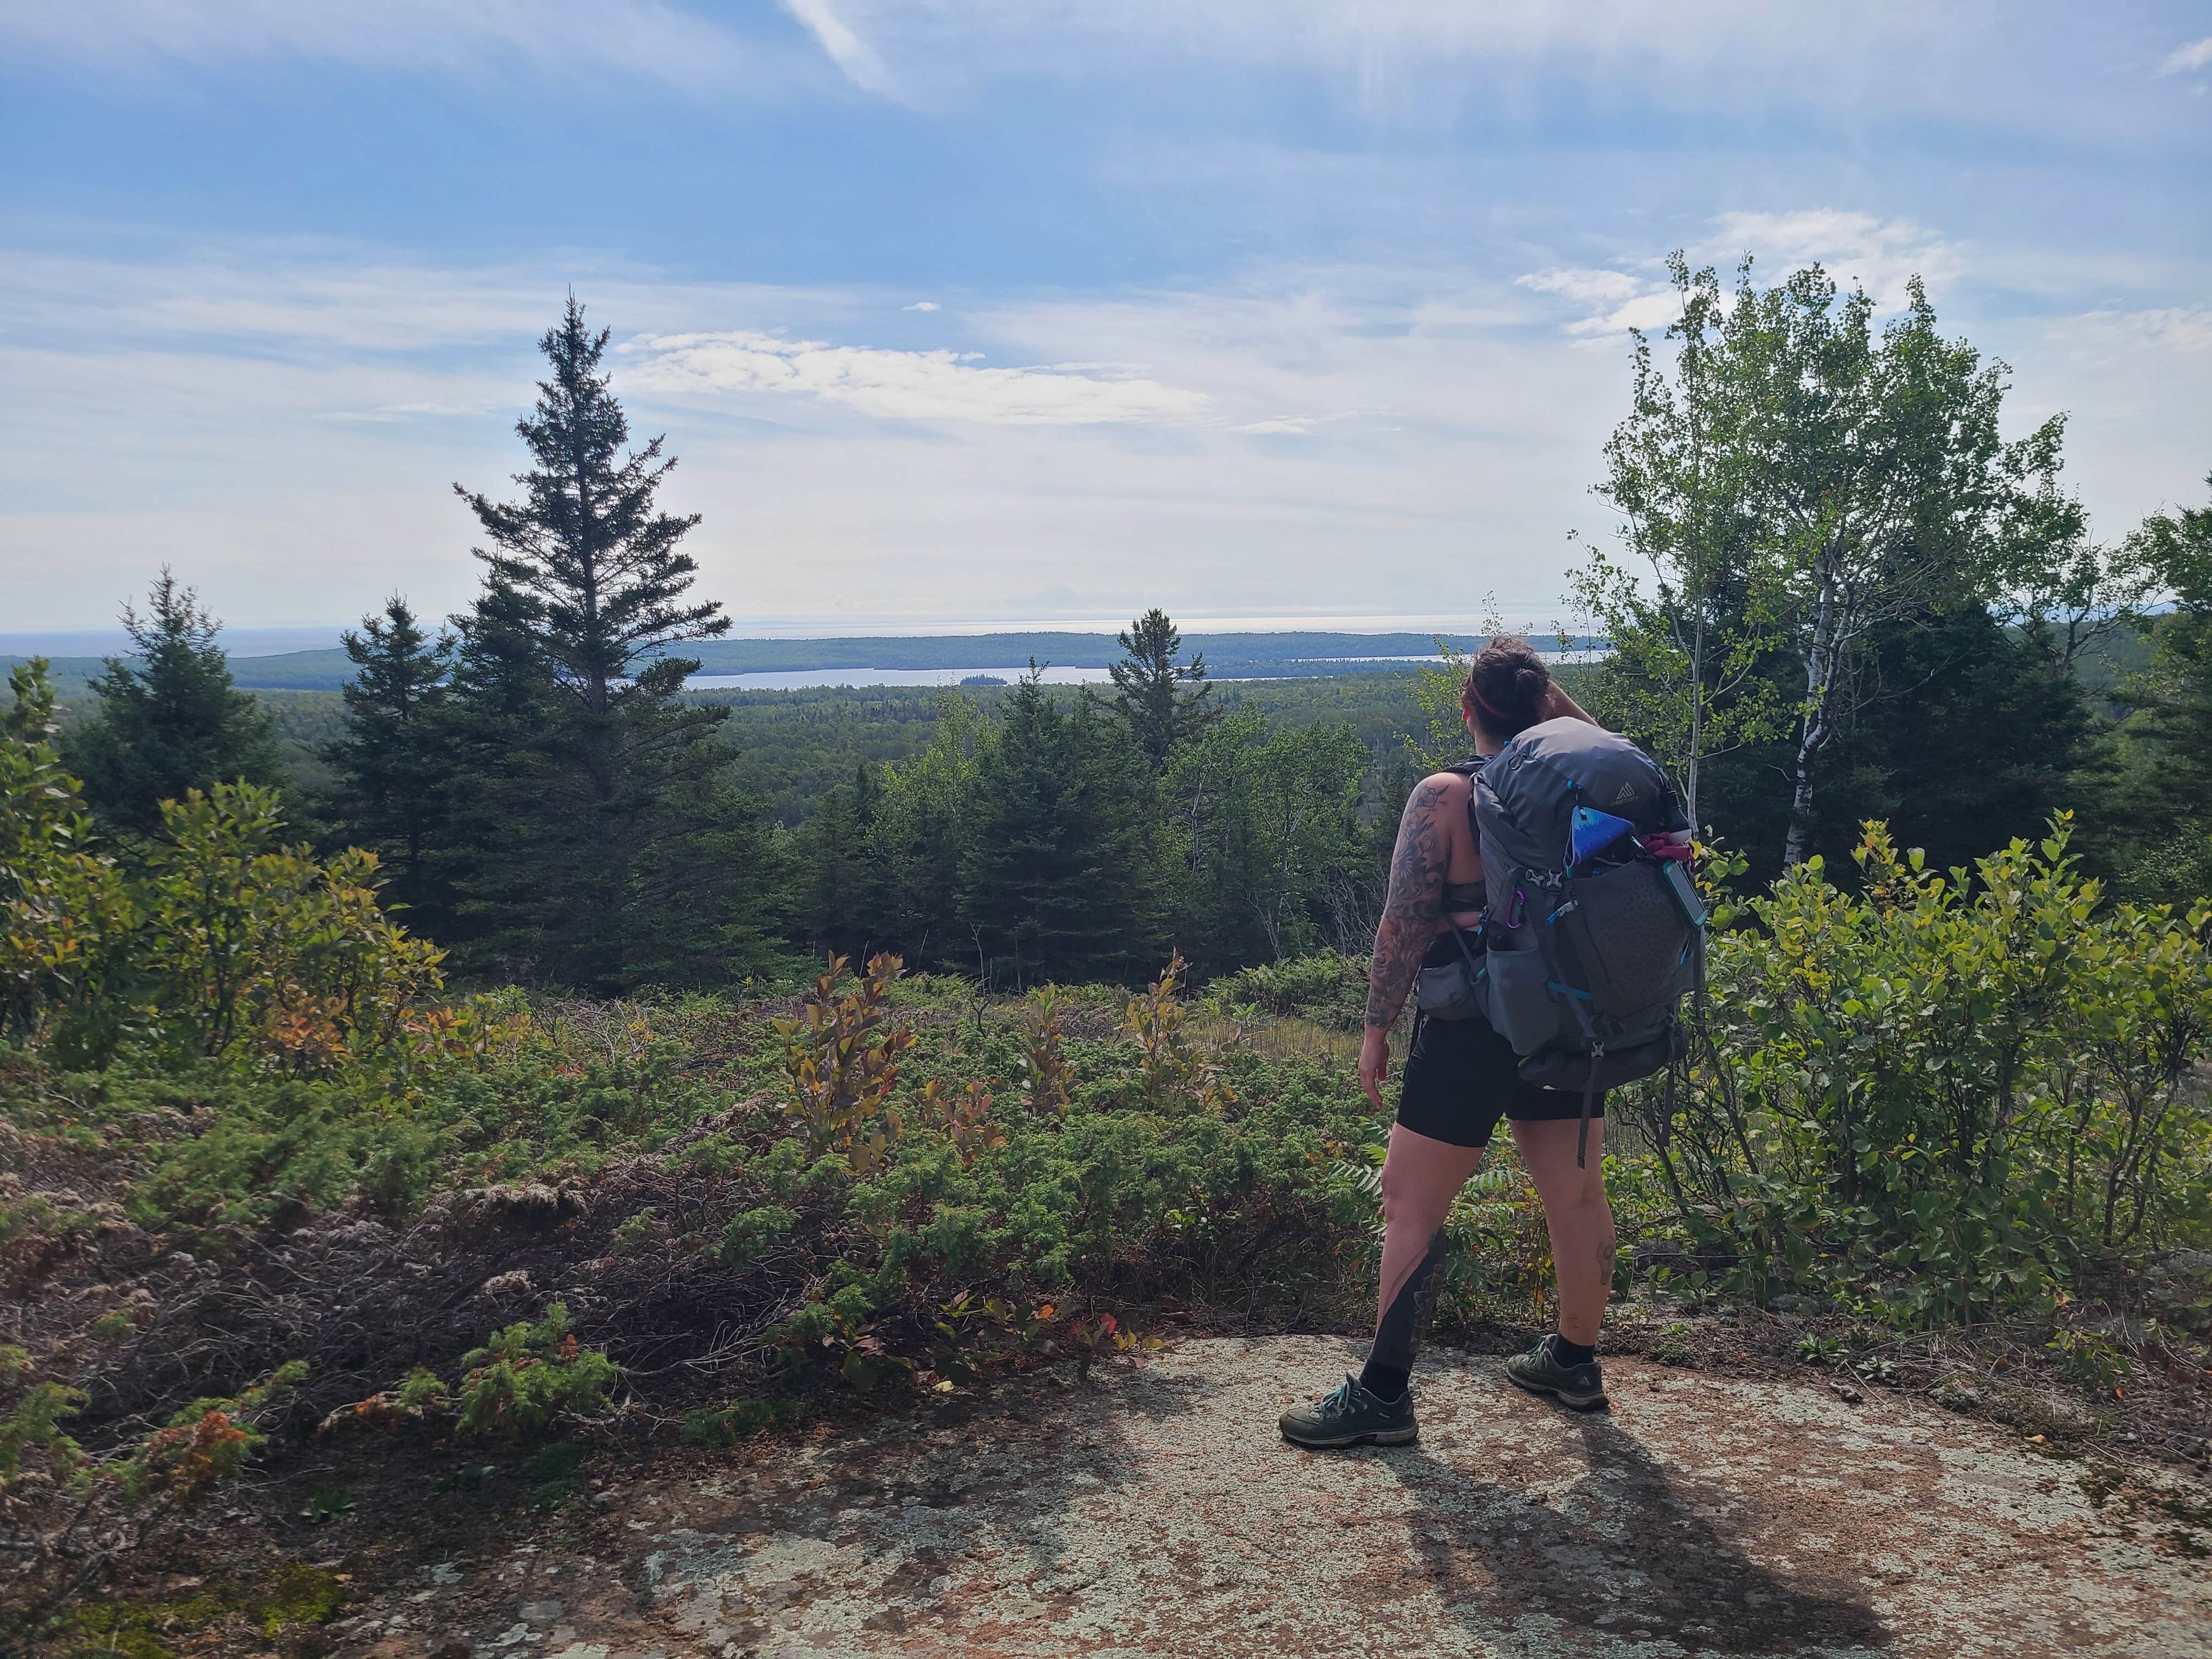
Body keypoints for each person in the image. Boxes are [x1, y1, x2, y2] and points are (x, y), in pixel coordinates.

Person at [1280, 636, 1616, 1448]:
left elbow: (1404, 920)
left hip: (1472, 1026)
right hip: (1570, 1016)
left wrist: (1374, 1028)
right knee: (1573, 1194)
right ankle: (1574, 1361)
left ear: (1467, 710)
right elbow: (1607, 745)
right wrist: (1548, 697)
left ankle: (1385, 1393)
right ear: (1545, 707)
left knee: (1410, 1200)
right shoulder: (1587, 786)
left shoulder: (1445, 797)